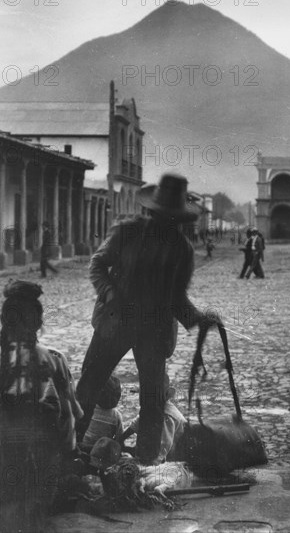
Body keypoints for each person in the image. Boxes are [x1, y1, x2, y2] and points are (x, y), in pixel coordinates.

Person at [75, 173, 223, 465]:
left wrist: (200, 318)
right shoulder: (126, 232)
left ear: (178, 220)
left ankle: (145, 464)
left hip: (154, 332)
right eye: (160, 216)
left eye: (172, 219)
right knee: (88, 388)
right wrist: (109, 294)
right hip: (114, 323)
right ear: (151, 212)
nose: (165, 223)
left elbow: (176, 298)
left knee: (153, 401)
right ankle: (69, 452)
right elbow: (98, 265)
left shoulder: (182, 250)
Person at [0, 280, 83, 533]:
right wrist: (66, 455)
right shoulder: (55, 360)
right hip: (39, 457)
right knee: (34, 517)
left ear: (5, 321)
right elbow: (69, 419)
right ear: (38, 322)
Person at [118, 373, 186, 463]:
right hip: (160, 446)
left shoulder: (166, 415)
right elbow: (137, 423)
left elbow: (165, 445)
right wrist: (120, 440)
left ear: (165, 396)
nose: (150, 399)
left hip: (175, 451)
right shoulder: (150, 407)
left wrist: (152, 462)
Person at [81, 375, 124, 450]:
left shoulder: (90, 409)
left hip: (85, 446)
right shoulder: (116, 416)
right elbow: (119, 439)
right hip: (102, 451)